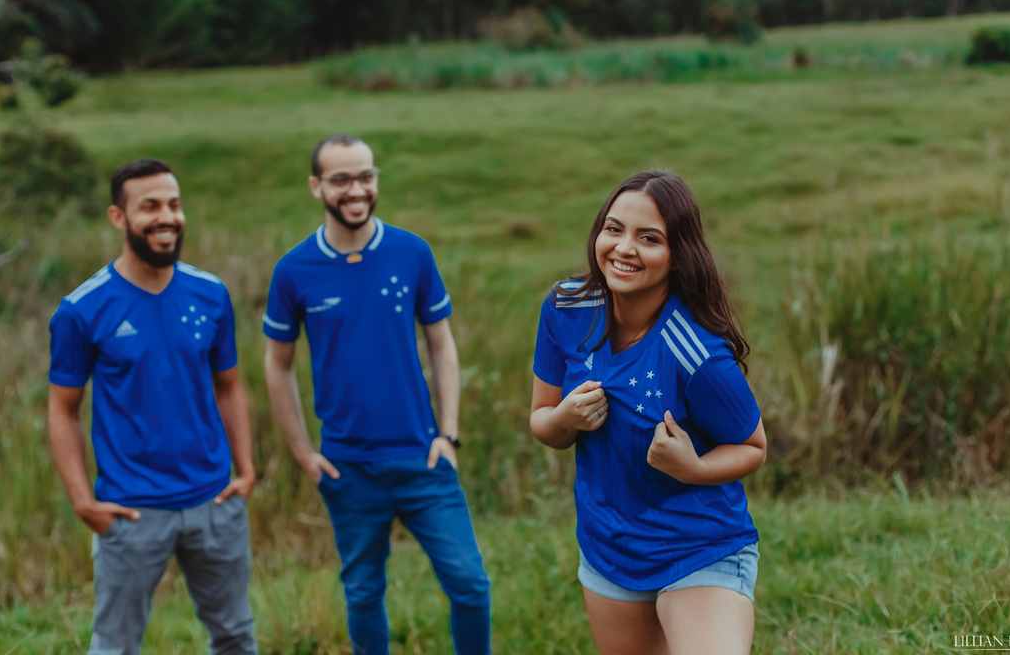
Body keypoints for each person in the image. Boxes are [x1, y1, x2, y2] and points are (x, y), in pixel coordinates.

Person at [262, 134, 492, 655]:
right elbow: (277, 367)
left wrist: (448, 434)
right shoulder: (294, 270)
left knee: (471, 586)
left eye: (365, 175)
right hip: (349, 467)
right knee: (364, 594)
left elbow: (442, 344)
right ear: (316, 186)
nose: (356, 189)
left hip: (423, 457)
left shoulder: (411, 252)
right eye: (341, 179)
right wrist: (303, 453)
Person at [530, 170, 767, 655]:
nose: (624, 248)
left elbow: (753, 446)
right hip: (610, 550)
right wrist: (565, 420)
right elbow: (542, 421)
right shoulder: (566, 308)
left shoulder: (696, 354)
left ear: (678, 256)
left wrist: (694, 468)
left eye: (649, 238)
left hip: (700, 548)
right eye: (614, 229)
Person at [48, 159, 259, 655]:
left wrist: (246, 471)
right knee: (116, 647)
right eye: (150, 207)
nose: (167, 217)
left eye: (174, 204)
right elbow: (62, 411)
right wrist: (83, 501)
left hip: (215, 502)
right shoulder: (82, 309)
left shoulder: (210, 294)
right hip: (131, 510)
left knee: (234, 636)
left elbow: (230, 387)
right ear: (118, 217)